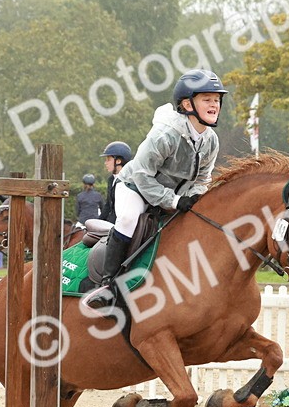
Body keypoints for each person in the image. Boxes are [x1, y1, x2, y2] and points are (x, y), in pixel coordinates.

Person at [84, 69, 226, 310]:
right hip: (135, 188)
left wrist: (195, 198)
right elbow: (141, 174)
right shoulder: (165, 134)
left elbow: (203, 178)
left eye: (216, 99)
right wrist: (173, 200)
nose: (214, 104)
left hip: (172, 196)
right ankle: (108, 286)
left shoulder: (210, 140)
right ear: (186, 103)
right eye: (207, 99)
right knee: (128, 219)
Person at [99, 140, 132, 223]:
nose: (105, 163)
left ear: (118, 161)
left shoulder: (129, 180)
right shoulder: (111, 179)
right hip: (111, 223)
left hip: (124, 224)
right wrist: (97, 222)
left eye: (108, 159)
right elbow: (108, 206)